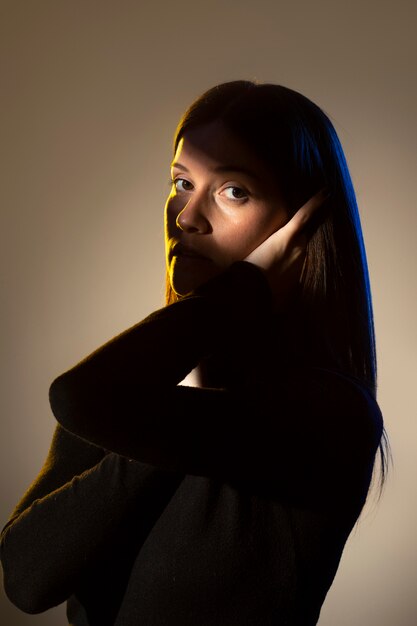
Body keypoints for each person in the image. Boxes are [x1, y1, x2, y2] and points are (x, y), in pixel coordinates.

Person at [0, 80, 388, 626]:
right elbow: (26, 577)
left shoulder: (326, 414)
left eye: (234, 191)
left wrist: (247, 288)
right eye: (182, 182)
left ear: (300, 229)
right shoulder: (131, 385)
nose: (185, 217)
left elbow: (76, 397)